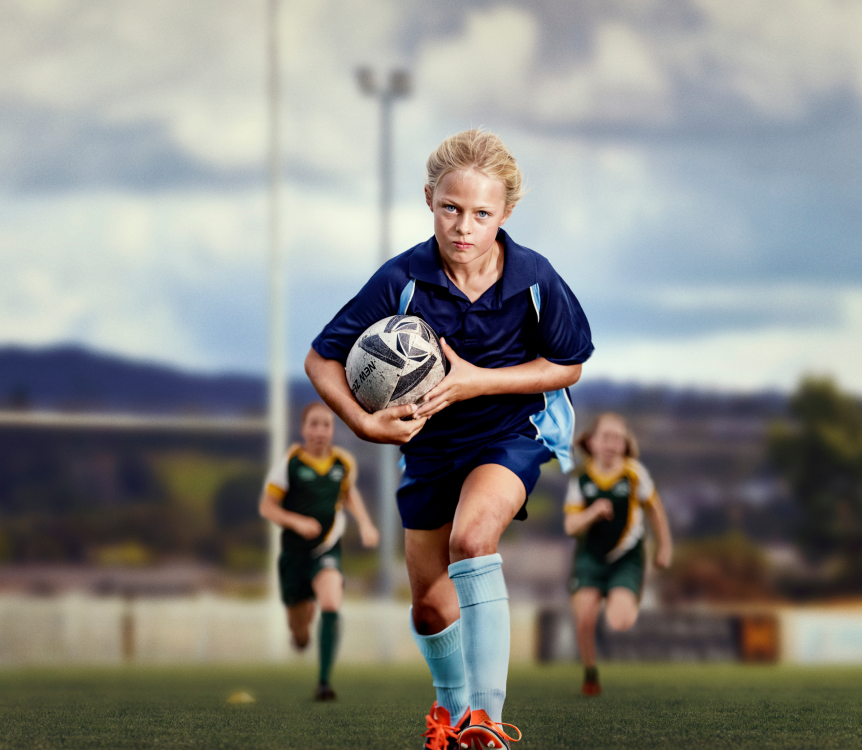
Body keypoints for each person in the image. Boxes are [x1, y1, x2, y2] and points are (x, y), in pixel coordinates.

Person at [305, 129, 593, 749]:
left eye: (482, 213)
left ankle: (485, 722)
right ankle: (449, 710)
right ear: (429, 199)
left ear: (505, 214)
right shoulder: (401, 279)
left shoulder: (536, 277)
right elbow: (320, 359)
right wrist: (363, 422)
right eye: (451, 208)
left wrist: (475, 381)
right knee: (431, 608)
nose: (465, 226)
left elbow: (568, 365)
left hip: (508, 433)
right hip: (430, 451)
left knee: (473, 538)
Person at [258, 401, 379, 701]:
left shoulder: (343, 463)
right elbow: (267, 507)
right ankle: (302, 627)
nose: (320, 431)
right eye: (313, 424)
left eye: (326, 424)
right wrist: (297, 522)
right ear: (303, 429)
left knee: (331, 603)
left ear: (332, 430)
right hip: (294, 555)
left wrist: (365, 523)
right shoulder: (290, 463)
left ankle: (324, 683)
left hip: (327, 549)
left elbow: (349, 493)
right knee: (299, 632)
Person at [564, 412, 673, 696]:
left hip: (627, 556)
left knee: (619, 621)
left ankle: (617, 593)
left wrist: (665, 547)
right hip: (590, 556)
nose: (612, 444)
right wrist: (593, 512)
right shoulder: (582, 479)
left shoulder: (634, 473)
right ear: (592, 441)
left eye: (618, 438)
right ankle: (590, 674)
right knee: (584, 619)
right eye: (606, 437)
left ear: (626, 444)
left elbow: (655, 510)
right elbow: (571, 525)